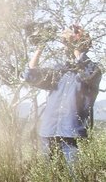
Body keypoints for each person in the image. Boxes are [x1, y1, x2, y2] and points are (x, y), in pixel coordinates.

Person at [24, 24, 102, 164]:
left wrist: (77, 48)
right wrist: (40, 47)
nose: (67, 46)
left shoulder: (93, 70)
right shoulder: (59, 71)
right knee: (49, 180)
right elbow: (31, 76)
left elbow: (89, 74)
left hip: (73, 134)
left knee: (76, 181)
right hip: (49, 131)